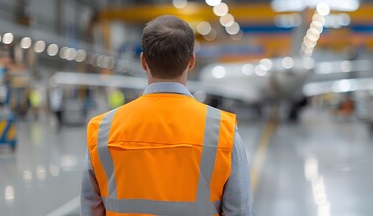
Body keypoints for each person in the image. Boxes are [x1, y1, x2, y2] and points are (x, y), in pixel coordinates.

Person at [81, 15, 254, 215]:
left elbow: (90, 209)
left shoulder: (102, 129)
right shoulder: (224, 131)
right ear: (191, 61)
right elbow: (240, 211)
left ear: (143, 62)